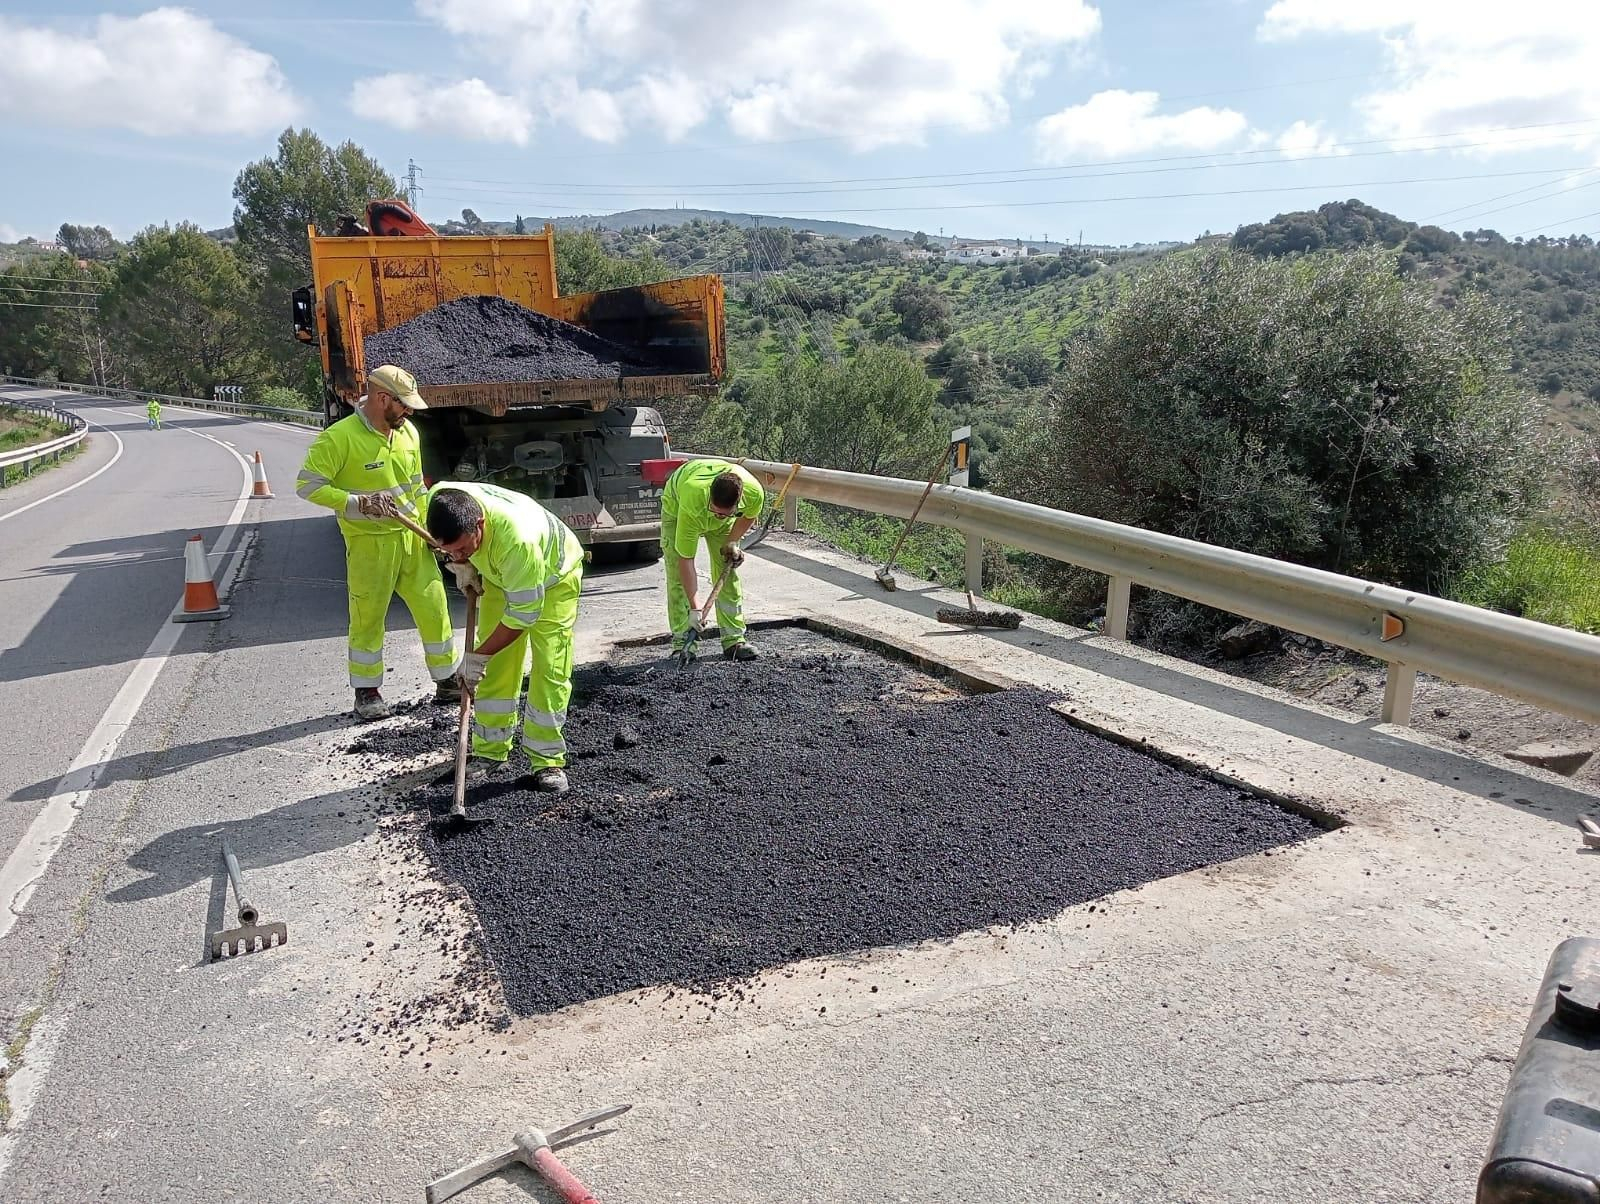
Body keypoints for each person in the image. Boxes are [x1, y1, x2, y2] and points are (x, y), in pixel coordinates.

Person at [295, 364, 457, 720]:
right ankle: (367, 693)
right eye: (404, 404)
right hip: (369, 546)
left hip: (412, 539)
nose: (410, 411)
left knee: (435, 609)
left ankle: (447, 681)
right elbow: (307, 486)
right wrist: (357, 503)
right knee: (368, 619)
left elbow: (417, 488)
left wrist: (432, 530)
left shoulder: (408, 433)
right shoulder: (339, 438)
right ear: (383, 398)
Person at [426, 481, 585, 795]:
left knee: (550, 667)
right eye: (449, 550)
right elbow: (447, 538)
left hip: (554, 577)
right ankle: (490, 750)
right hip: (500, 575)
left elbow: (523, 615)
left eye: (461, 547)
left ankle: (547, 759)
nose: (455, 553)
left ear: (480, 525)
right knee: (496, 665)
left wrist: (477, 656)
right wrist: (462, 563)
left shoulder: (517, 541)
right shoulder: (440, 499)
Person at [660, 459, 765, 661]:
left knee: (727, 571)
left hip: (720, 515)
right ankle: (683, 644)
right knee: (677, 576)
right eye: (715, 511)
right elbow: (686, 560)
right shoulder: (693, 498)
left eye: (724, 514)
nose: (717, 516)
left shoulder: (754, 492)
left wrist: (732, 541)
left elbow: (750, 515)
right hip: (678, 508)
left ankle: (734, 640)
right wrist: (695, 608)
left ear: (738, 502)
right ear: (710, 498)